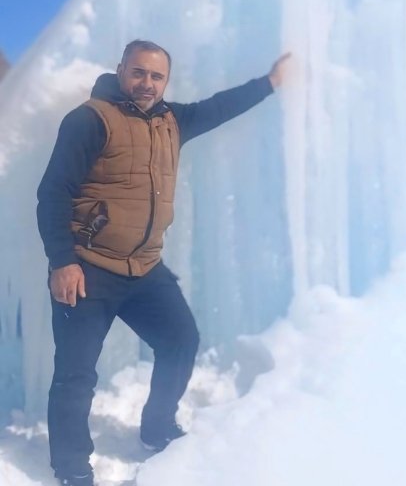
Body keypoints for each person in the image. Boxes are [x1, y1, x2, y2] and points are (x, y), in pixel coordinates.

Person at [36, 40, 290, 486]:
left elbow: (219, 108)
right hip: (89, 267)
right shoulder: (90, 120)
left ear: (165, 81)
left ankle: (157, 426)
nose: (147, 83)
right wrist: (62, 261)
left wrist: (269, 83)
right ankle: (71, 465)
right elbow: (53, 193)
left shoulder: (172, 121)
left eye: (156, 76)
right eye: (138, 73)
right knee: (76, 375)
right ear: (120, 70)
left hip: (143, 269)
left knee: (180, 340)